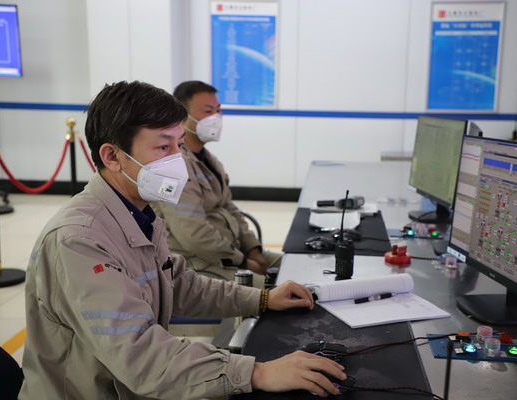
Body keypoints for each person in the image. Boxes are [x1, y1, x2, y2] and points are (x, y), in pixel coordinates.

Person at [19, 81, 346, 399]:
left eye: (179, 145)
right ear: (112, 156)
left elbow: (177, 285)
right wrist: (256, 373)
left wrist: (262, 299)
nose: (179, 161)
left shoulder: (138, 213)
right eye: (164, 147)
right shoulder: (79, 241)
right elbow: (141, 356)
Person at [152, 81, 281, 281]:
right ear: (182, 117)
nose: (216, 118)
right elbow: (195, 235)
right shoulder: (173, 167)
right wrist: (244, 262)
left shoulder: (209, 160)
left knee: (294, 266)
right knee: (280, 292)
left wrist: (253, 249)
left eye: (218, 110)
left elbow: (230, 208)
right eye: (207, 111)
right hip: (199, 265)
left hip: (233, 251)